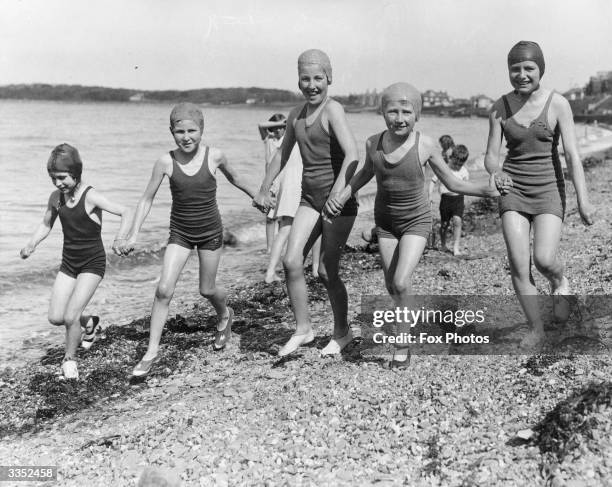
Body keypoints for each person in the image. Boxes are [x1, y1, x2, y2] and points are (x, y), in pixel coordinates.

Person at [331, 83, 498, 366]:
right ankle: (406, 319)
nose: (399, 118)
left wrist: (486, 191)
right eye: (392, 111)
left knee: (400, 281)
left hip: (417, 221)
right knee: (391, 285)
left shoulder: (425, 144)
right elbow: (365, 174)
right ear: (382, 112)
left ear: (417, 114)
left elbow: (452, 182)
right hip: (385, 222)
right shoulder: (374, 143)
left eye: (406, 111)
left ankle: (402, 343)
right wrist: (343, 193)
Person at [123, 103, 257, 376]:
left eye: (192, 130)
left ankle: (224, 314)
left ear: (202, 130)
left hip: (210, 233)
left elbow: (237, 178)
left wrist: (259, 196)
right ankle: (151, 351)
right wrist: (133, 233)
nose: (186, 137)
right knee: (163, 290)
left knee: (206, 290)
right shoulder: (165, 162)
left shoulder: (214, 156)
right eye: (179, 131)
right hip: (180, 234)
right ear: (171, 132)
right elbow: (146, 199)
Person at [483, 41, 595, 347]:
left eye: (528, 68)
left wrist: (583, 201)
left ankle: (560, 281)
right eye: (515, 68)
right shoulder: (499, 107)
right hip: (514, 190)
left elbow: (572, 155)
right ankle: (536, 328)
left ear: (540, 69)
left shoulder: (558, 104)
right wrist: (497, 172)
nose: (521, 74)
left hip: (548, 189)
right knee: (519, 264)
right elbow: (491, 155)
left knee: (544, 259)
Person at [253, 49, 359, 356]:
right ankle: (304, 329)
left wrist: (340, 194)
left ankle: (342, 332)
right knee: (291, 261)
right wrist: (264, 188)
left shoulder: (333, 110)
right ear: (298, 80)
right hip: (310, 199)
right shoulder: (295, 115)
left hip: (337, 201)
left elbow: (353, 155)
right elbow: (281, 155)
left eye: (318, 78)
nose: (311, 85)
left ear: (329, 78)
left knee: (326, 271)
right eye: (305, 78)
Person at [20, 143, 132, 379]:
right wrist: (32, 243)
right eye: (53, 179)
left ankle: (70, 361)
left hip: (92, 263)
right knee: (56, 317)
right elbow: (46, 223)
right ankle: (89, 322)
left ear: (76, 173)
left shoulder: (90, 196)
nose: (58, 183)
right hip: (69, 263)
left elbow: (126, 211)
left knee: (71, 317)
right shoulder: (56, 198)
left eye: (62, 177)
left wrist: (120, 238)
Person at [258, 114, 303, 283]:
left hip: (287, 182)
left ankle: (278, 267)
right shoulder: (272, 140)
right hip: (285, 183)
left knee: (285, 226)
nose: (279, 129)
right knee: (283, 226)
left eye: (283, 126)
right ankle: (273, 269)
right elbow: (261, 125)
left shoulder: (288, 139)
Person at [429, 144, 470, 255]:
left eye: (460, 164)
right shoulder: (444, 168)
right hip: (445, 199)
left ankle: (456, 247)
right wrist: (430, 195)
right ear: (451, 158)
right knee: (444, 224)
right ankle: (443, 245)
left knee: (457, 221)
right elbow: (433, 180)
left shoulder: (464, 172)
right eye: (455, 163)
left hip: (458, 199)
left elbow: (466, 186)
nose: (457, 166)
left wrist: (467, 198)